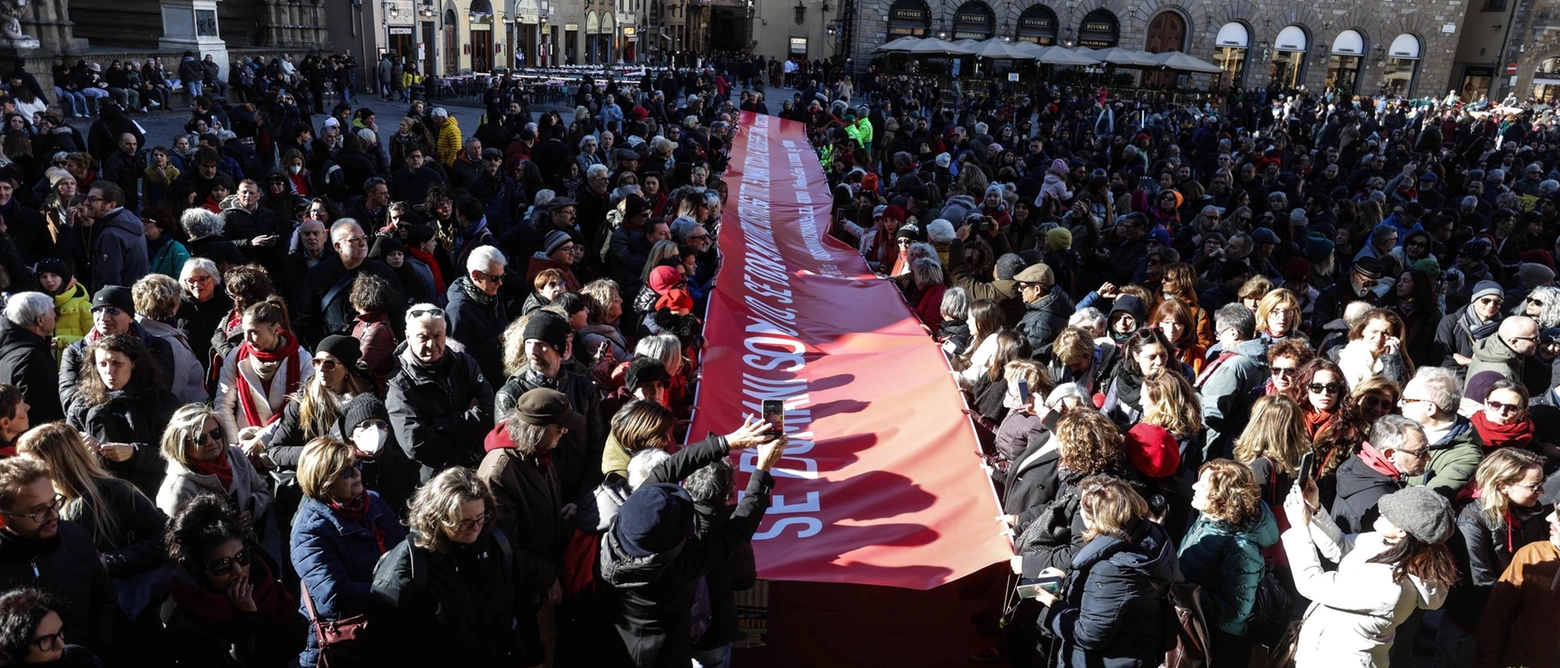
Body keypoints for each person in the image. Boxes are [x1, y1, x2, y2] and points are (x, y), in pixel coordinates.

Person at [600, 417, 788, 668]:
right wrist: (763, 466)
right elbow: (738, 529)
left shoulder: (626, 520)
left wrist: (728, 441)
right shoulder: (679, 566)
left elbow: (668, 469)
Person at [367, 467, 531, 666]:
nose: (476, 528)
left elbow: (521, 605)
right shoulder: (409, 564)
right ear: (436, 518)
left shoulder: (496, 544)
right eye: (464, 523)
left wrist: (533, 655)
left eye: (481, 518)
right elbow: (383, 646)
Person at [1281, 482, 1456, 667]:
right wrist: (1315, 510)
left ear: (1401, 531)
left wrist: (1299, 528)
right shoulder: (1387, 544)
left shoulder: (1391, 586)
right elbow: (1340, 545)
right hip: (1321, 651)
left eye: (1390, 512)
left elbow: (1311, 583)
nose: (1381, 509)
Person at [1029, 475, 1175, 668]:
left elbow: (1089, 635)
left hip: (1111, 660)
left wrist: (1054, 604)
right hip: (1139, 643)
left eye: (1082, 511)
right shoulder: (1150, 535)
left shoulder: (1110, 569)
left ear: (1094, 521)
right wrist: (1070, 579)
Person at [290, 436, 409, 668]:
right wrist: (395, 589)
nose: (356, 473)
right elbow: (335, 598)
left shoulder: (373, 501)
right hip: (347, 643)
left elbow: (401, 551)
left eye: (357, 464)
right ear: (324, 482)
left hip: (385, 630)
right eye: (345, 472)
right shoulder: (309, 530)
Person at [163, 493, 303, 667]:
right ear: (198, 571)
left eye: (241, 557)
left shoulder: (265, 585)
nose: (238, 570)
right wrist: (248, 619)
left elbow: (296, 639)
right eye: (222, 565)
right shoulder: (188, 624)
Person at [1438, 448, 1549, 663]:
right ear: (1502, 486)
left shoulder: (1528, 512)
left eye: (1541, 483)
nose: (1541, 491)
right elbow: (1479, 582)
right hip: (1471, 626)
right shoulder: (1471, 520)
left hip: (1508, 620)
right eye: (1533, 486)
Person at [0, 457, 115, 656]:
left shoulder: (74, 537)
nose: (54, 515)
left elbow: (104, 600)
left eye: (54, 502)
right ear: (3, 518)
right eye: (38, 511)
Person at [1178, 459, 1279, 657]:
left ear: (1222, 498)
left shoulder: (1241, 549)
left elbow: (1234, 614)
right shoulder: (1209, 518)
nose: (1194, 486)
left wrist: (1187, 592)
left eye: (1203, 485)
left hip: (1212, 641)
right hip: (1193, 621)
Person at [386, 304, 494, 481]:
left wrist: (439, 426)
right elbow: (415, 444)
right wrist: (466, 427)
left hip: (478, 466)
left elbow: (489, 413)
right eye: (423, 337)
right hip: (437, 480)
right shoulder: (399, 383)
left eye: (438, 336)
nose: (431, 344)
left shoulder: (465, 364)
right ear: (408, 336)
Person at [65, 333, 180, 499]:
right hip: (102, 497)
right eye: (102, 364)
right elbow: (66, 461)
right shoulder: (82, 405)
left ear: (134, 363)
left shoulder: (161, 402)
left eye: (116, 363)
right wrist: (80, 447)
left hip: (153, 496)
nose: (109, 371)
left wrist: (135, 453)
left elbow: (178, 458)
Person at [214, 298, 314, 454]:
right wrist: (235, 448)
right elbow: (223, 403)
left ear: (276, 330)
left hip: (284, 444)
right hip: (244, 444)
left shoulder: (302, 359)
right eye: (244, 332)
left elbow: (302, 408)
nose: (246, 339)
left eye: (254, 333)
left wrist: (262, 440)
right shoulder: (236, 356)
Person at [155, 403, 272, 527]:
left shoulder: (236, 455)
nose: (211, 442)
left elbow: (262, 491)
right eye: (200, 439)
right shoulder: (176, 489)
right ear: (181, 444)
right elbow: (175, 538)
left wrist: (252, 511)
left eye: (215, 433)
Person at [1475, 505, 1560, 667]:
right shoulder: (1534, 556)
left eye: (1559, 514)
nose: (1549, 518)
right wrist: (1489, 662)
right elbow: (1495, 617)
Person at [1330, 414, 1431, 535]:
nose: (1428, 457)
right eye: (1420, 452)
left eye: (1427, 449)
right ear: (1390, 454)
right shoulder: (1380, 506)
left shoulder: (1358, 468)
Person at [1197, 302, 1271, 466]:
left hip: (1214, 445)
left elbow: (1212, 414)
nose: (1217, 338)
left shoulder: (1234, 365)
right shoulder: (1261, 357)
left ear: (1233, 333)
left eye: (1219, 333)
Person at [1399, 366, 1483, 499]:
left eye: (1406, 400)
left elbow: (1427, 500)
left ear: (1430, 408)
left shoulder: (1466, 457)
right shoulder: (1401, 428)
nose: (1399, 404)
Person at [133, 273, 209, 403]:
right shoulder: (169, 343)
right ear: (174, 305)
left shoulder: (135, 328)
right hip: (186, 415)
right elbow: (171, 391)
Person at [446, 245, 510, 386]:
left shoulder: (491, 293)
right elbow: (459, 357)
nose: (500, 283)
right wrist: (497, 341)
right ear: (476, 275)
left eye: (502, 276)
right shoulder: (458, 309)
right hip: (480, 383)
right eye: (494, 278)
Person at [0, 292, 62, 425]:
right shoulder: (32, 357)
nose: (55, 316)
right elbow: (37, 411)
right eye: (52, 312)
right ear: (40, 320)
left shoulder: (10, 346)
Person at [0, 588, 99, 667]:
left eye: (60, 632)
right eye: (45, 640)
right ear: (16, 647)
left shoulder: (78, 658)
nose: (61, 645)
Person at [82, 181, 149, 292]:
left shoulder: (111, 235)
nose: (86, 203)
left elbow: (109, 279)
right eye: (87, 198)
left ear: (111, 205)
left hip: (117, 303)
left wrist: (107, 305)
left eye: (92, 199)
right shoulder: (129, 222)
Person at [1337, 308, 1413, 389]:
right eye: (1374, 331)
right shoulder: (1338, 354)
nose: (1379, 337)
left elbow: (1396, 394)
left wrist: (1391, 360)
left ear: (1393, 337)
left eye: (1385, 333)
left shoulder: (1398, 364)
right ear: (1363, 330)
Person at [1013, 263, 1072, 360]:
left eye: (1023, 287)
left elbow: (1028, 358)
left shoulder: (1040, 324)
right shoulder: (1056, 304)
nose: (1020, 291)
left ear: (1037, 289)